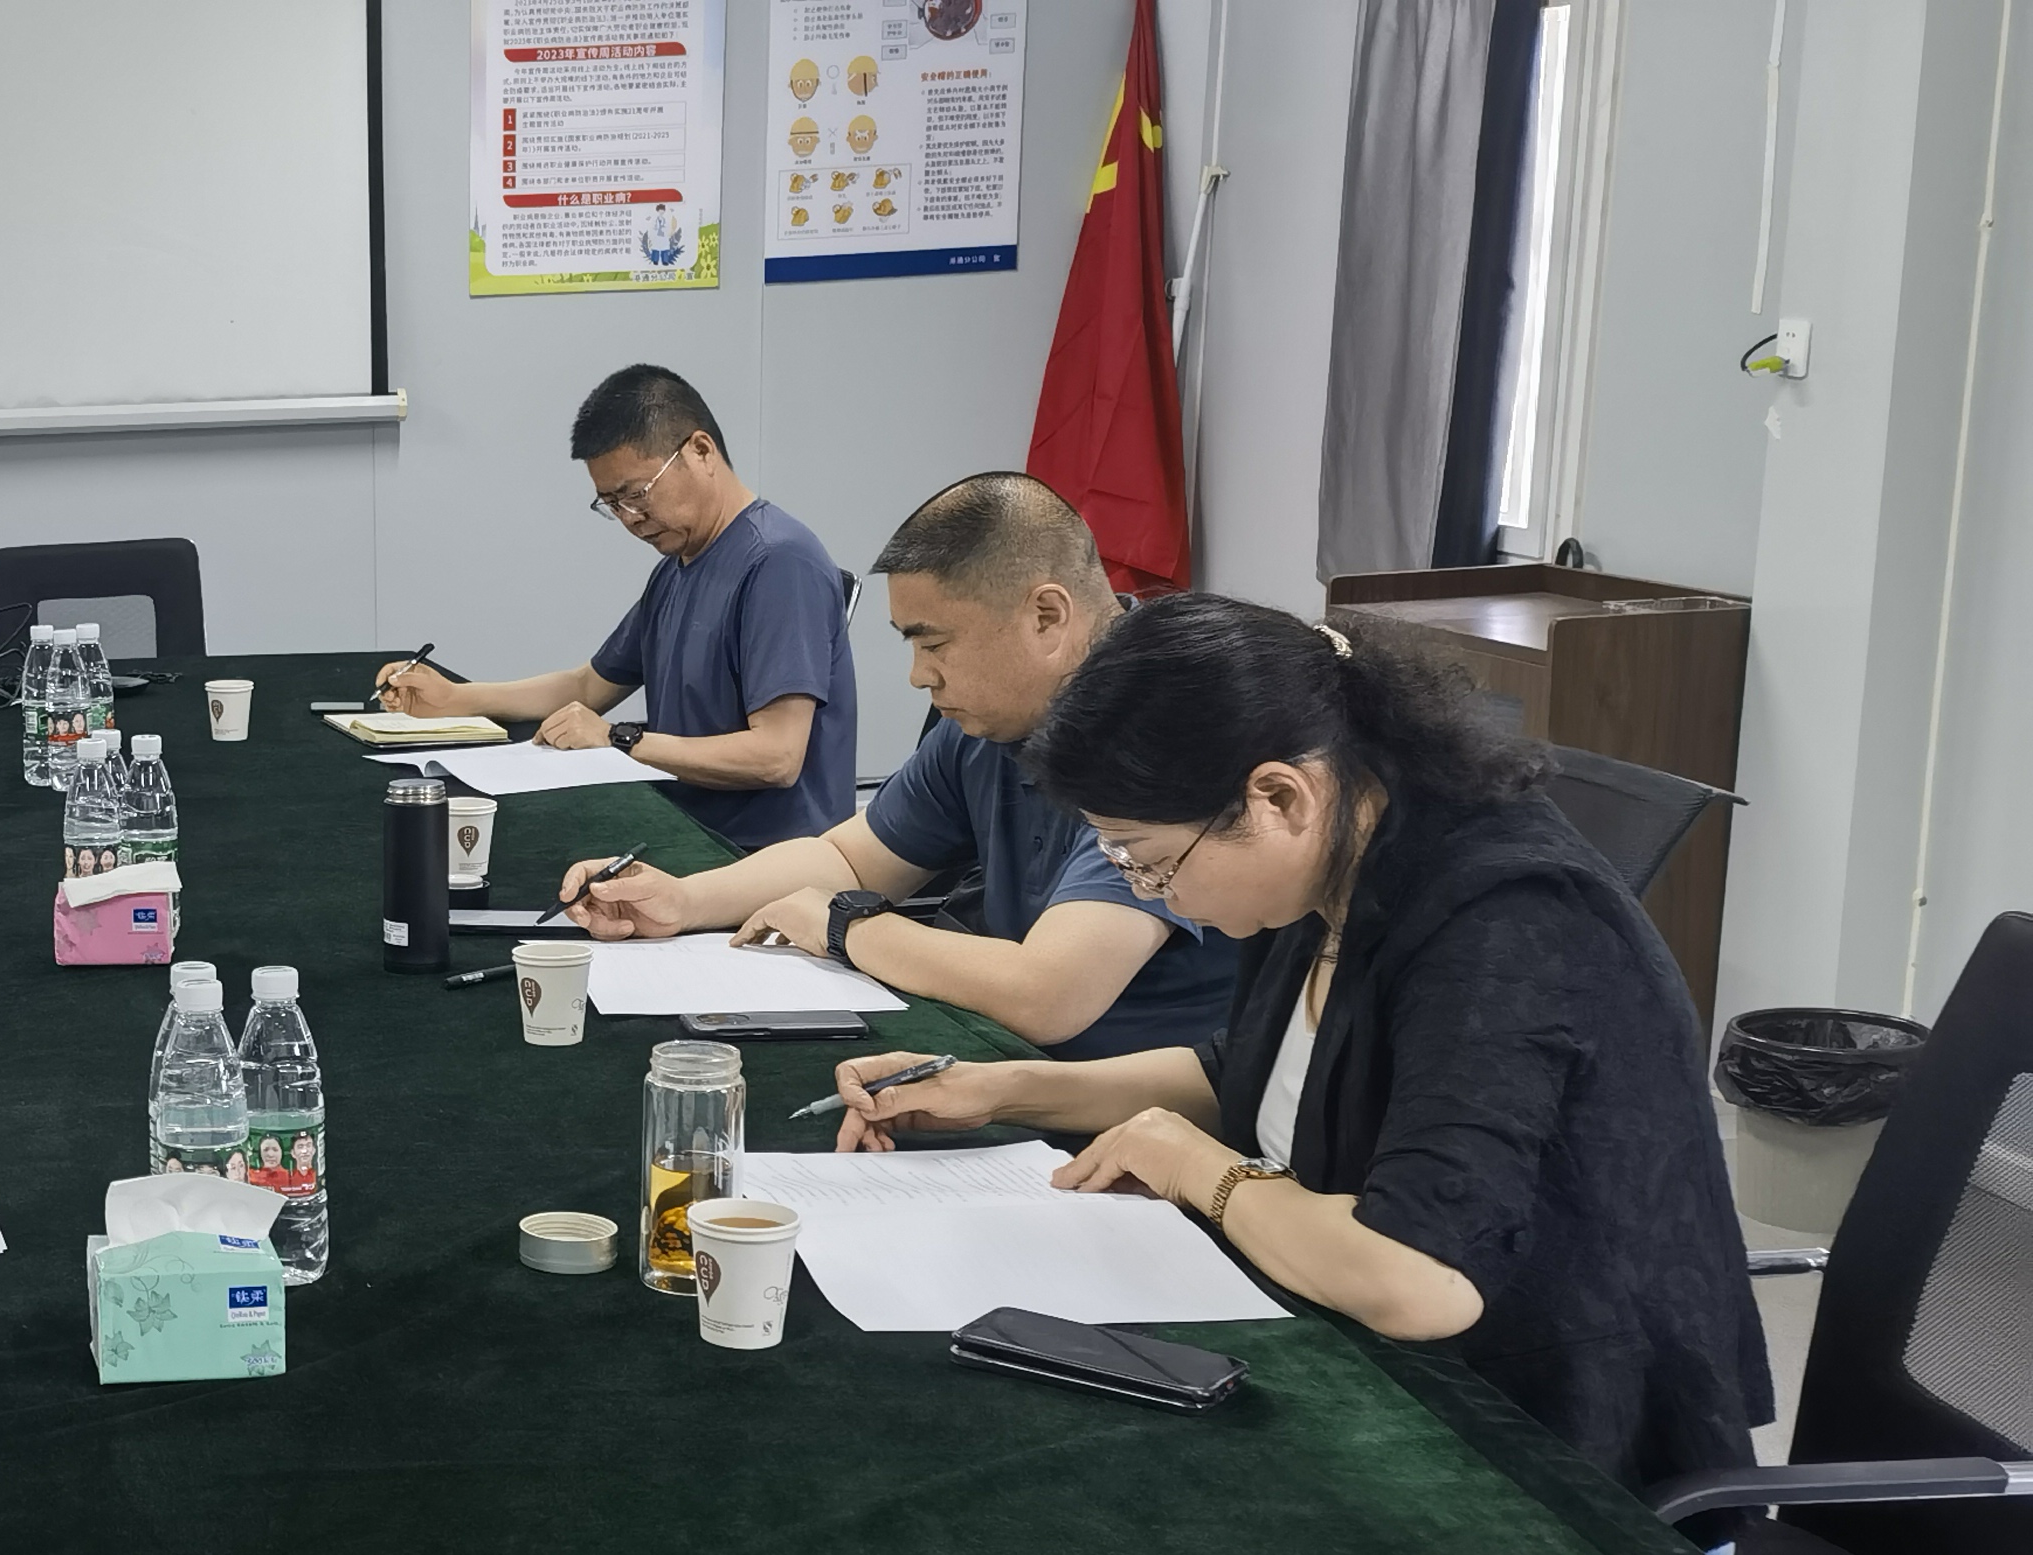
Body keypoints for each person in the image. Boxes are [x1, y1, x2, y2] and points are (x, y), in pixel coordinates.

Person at [830, 595, 1769, 1493]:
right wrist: (999, 1089)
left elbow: (1418, 1280)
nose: (1152, 891)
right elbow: (1241, 1071)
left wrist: (1203, 1170)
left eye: (1149, 861)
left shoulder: (1506, 921)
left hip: (1544, 1434)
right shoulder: (1335, 854)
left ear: (1279, 795)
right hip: (1357, 1354)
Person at [556, 472, 1238, 1059]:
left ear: (1046, 617)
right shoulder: (992, 721)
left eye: (933, 644)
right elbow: (850, 860)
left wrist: (844, 927)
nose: (918, 676)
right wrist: (682, 901)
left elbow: (1049, 993)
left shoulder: (1165, 722)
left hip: (1129, 1108)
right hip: (1011, 1065)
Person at [372, 364, 859, 850]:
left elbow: (776, 757)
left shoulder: (779, 563)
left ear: (701, 451)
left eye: (637, 494)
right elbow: (587, 686)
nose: (631, 518)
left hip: (761, 856)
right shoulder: (677, 568)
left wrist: (619, 739)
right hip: (686, 828)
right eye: (611, 503)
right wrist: (454, 698)